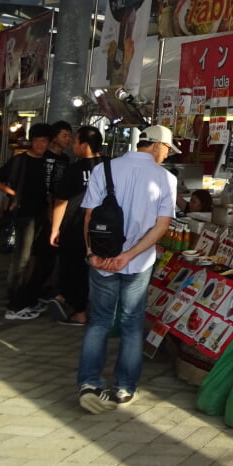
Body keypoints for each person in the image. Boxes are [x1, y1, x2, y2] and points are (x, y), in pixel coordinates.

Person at [76, 125, 177, 413]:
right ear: (156, 145)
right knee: (132, 324)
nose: (167, 155)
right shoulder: (166, 178)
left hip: (102, 261)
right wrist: (128, 256)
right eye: (167, 149)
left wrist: (92, 254)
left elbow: (89, 217)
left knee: (99, 321)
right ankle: (124, 388)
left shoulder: (105, 169)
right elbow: (162, 226)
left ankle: (89, 383)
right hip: (138, 262)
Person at [0, 122, 55, 320]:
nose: (40, 145)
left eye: (44, 141)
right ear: (31, 141)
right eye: (36, 141)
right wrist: (13, 194)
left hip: (42, 216)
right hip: (23, 216)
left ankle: (26, 299)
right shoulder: (20, 160)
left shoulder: (50, 162)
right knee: (21, 259)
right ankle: (14, 305)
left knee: (34, 259)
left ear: (49, 143)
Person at [47, 125, 102, 326]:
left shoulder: (74, 169)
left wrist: (55, 229)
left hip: (75, 227)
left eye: (76, 141)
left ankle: (79, 312)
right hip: (104, 229)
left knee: (74, 268)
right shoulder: (111, 166)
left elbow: (61, 201)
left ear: (85, 145)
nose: (72, 145)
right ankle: (82, 305)